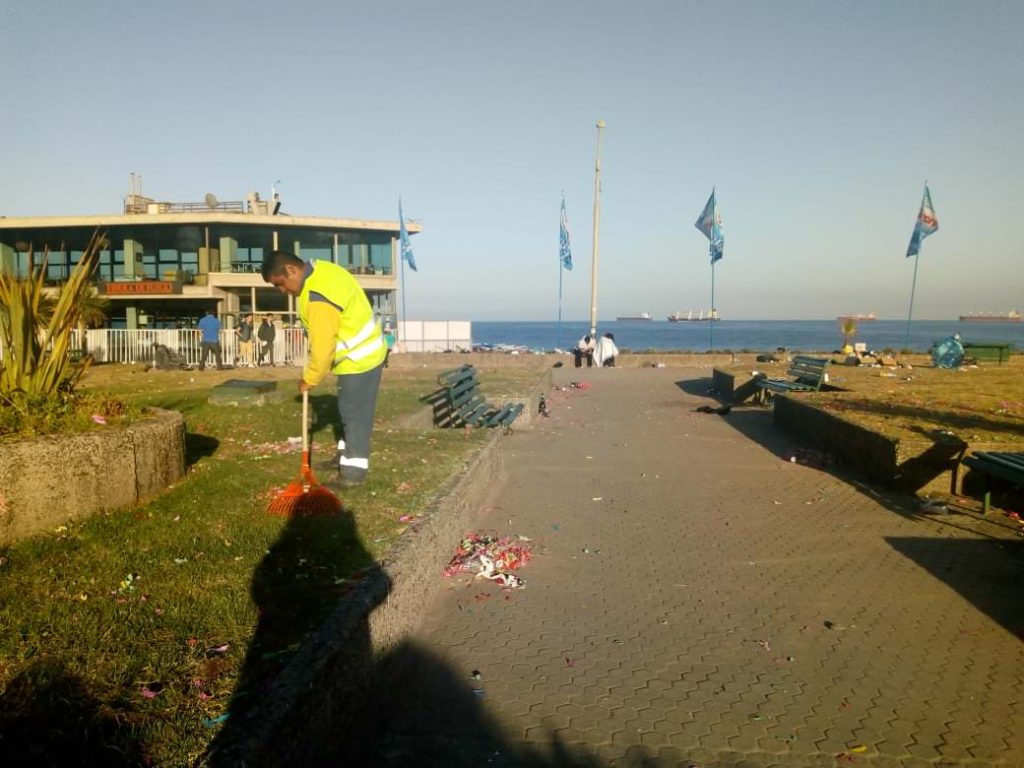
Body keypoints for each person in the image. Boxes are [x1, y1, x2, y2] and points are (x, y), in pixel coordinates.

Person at [261, 250, 387, 487]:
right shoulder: (323, 270)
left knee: (355, 415)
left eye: (280, 284)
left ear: (291, 270)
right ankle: (343, 455)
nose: (282, 291)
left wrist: (309, 378)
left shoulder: (318, 295)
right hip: (364, 352)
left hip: (359, 358)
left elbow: (323, 346)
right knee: (346, 410)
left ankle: (352, 474)